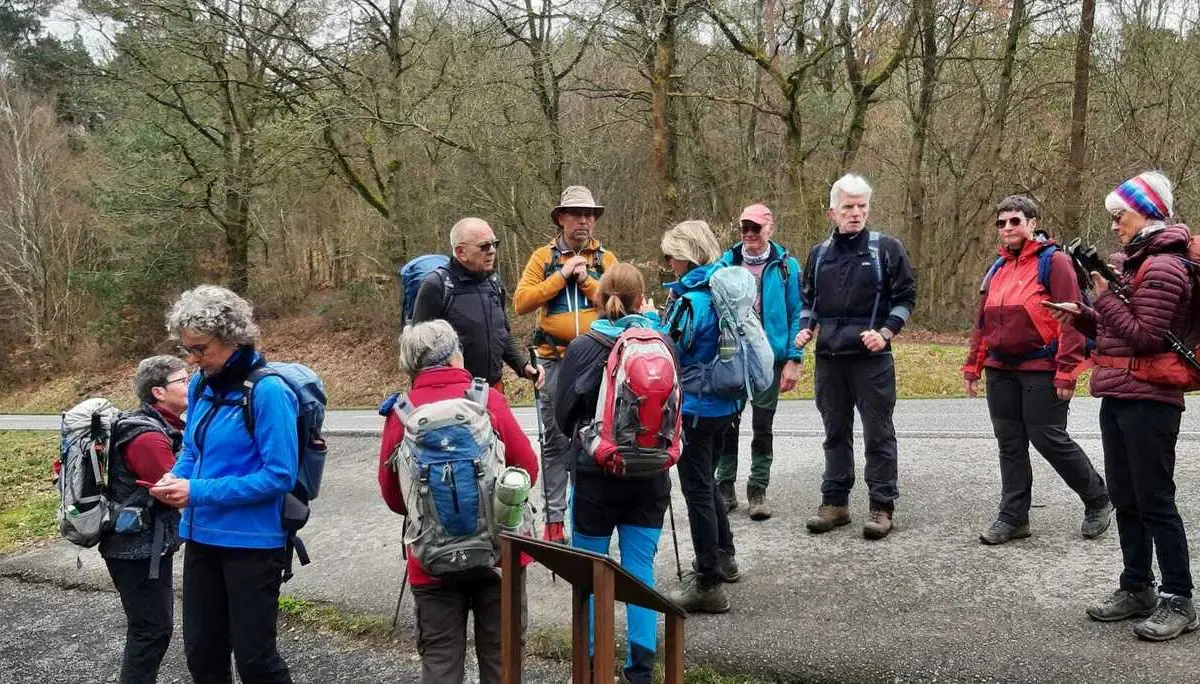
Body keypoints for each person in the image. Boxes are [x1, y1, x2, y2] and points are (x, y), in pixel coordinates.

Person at [1047, 171, 1197, 641]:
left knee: (1155, 500)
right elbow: (1119, 331)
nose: (1114, 225)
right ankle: (1137, 587)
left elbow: (1147, 337)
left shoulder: (1165, 267)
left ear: (1148, 212)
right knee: (1126, 497)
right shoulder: (1135, 263)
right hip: (1118, 391)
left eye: (1120, 216)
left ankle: (1179, 598)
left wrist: (1105, 297)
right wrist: (1085, 315)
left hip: (1152, 398)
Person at [377, 320, 540, 682]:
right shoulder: (487, 400)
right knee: (502, 661)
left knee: (440, 661)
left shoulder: (401, 413)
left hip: (431, 560)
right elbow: (527, 469)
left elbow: (393, 496)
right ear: (454, 356)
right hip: (500, 554)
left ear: (412, 365)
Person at [150, 285, 297, 683]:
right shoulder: (200, 386)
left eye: (200, 349)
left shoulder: (268, 391)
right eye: (187, 350)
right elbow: (192, 449)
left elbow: (279, 475)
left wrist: (197, 491)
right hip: (201, 538)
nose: (192, 360)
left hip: (253, 545)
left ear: (232, 338)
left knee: (256, 662)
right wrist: (177, 476)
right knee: (203, 657)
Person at [962, 195, 1113, 545]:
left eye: (1015, 221)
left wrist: (1067, 371)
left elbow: (1072, 318)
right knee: (1009, 443)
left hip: (1041, 366)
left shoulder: (1054, 262)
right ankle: (1013, 517)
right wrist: (973, 366)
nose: (1008, 228)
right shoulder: (997, 268)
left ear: (1032, 223)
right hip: (1000, 368)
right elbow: (983, 322)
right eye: (1002, 223)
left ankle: (1098, 499)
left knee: (1048, 438)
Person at [555, 263, 670, 683]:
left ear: (599, 300)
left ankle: (590, 669)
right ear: (641, 300)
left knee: (590, 575)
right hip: (650, 477)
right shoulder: (663, 343)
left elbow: (562, 415)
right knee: (640, 572)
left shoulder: (583, 347)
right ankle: (640, 672)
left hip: (595, 476)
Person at [796, 173, 917, 540]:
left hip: (871, 360)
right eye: (848, 206)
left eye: (862, 206)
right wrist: (806, 328)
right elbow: (808, 300)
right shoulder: (819, 255)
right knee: (834, 433)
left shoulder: (887, 249)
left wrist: (885, 333)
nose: (856, 213)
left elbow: (906, 298)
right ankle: (835, 503)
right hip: (829, 359)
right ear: (833, 212)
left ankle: (882, 506)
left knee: (878, 434)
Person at [513, 186, 619, 543]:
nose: (584, 221)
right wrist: (560, 277)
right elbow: (522, 302)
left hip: (597, 361)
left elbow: (617, 304)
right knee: (555, 440)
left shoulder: (606, 259)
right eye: (577, 214)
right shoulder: (542, 258)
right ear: (561, 218)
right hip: (553, 360)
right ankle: (554, 523)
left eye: (589, 215)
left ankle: (586, 517)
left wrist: (584, 279)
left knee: (595, 437)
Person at [659, 220, 740, 613]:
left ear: (686, 257)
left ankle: (708, 583)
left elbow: (669, 350)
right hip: (725, 403)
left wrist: (652, 321)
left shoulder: (692, 300)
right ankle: (725, 557)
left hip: (695, 407)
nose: (669, 264)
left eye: (671, 256)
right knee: (708, 482)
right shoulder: (724, 289)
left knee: (697, 492)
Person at [99, 355, 188, 684]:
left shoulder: (149, 424)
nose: (190, 386)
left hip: (138, 544)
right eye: (183, 381)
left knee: (149, 628)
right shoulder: (147, 436)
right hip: (135, 550)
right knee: (151, 630)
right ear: (158, 392)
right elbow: (171, 491)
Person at [713, 203, 804, 520]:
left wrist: (793, 358)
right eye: (745, 228)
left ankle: (757, 489)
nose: (750, 233)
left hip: (770, 359)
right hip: (733, 357)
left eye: (756, 227)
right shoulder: (725, 264)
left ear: (770, 228)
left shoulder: (787, 267)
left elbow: (797, 314)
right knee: (727, 423)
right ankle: (725, 486)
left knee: (762, 425)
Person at [410, 217, 540, 392]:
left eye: (495, 244)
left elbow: (502, 333)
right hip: (453, 392)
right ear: (461, 252)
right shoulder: (437, 286)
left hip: (493, 389)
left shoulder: (494, 282)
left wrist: (523, 365)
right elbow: (418, 349)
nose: (492, 251)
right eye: (484, 246)